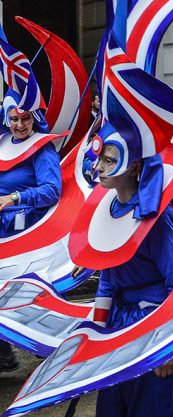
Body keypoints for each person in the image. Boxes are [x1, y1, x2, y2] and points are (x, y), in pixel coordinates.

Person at [93, 143, 173, 417]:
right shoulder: (108, 209)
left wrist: (169, 347)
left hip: (155, 326)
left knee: (151, 408)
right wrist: (97, 332)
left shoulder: (158, 217)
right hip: (120, 323)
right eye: (100, 158)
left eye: (110, 161)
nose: (99, 167)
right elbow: (108, 277)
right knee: (113, 406)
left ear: (135, 166)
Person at [0, 93, 62, 372]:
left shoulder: (41, 149)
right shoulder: (2, 143)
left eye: (25, 118)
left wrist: (14, 198)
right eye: (14, 118)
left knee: (24, 292)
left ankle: (50, 349)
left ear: (34, 117)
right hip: (3, 231)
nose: (20, 124)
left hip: (26, 232)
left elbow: (52, 190)